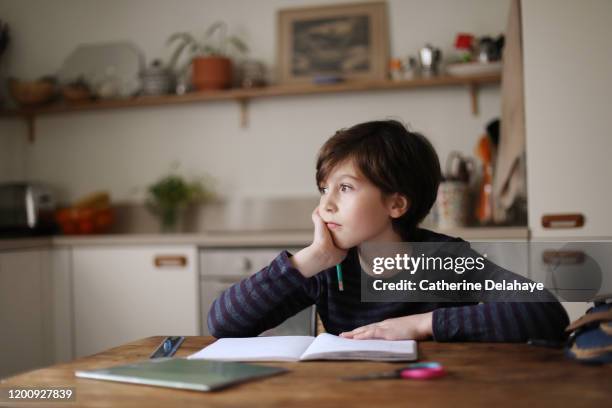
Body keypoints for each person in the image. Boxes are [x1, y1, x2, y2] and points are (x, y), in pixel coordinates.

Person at [207, 120, 569, 342]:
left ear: (396, 205)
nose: (325, 205)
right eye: (323, 189)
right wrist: (308, 259)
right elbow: (223, 323)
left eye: (345, 188)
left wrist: (419, 325)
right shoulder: (328, 267)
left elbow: (545, 313)